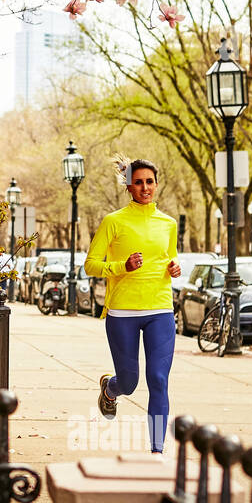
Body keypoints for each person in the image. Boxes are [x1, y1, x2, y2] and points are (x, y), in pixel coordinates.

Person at [84, 158, 180, 454]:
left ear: (156, 184)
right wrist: (121, 266)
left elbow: (170, 257)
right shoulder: (114, 221)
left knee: (158, 380)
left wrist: (175, 268)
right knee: (130, 381)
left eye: (149, 181)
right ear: (128, 186)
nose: (144, 187)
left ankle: (156, 451)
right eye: (138, 182)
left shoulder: (168, 223)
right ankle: (111, 389)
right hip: (123, 311)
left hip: (160, 309)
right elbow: (91, 265)